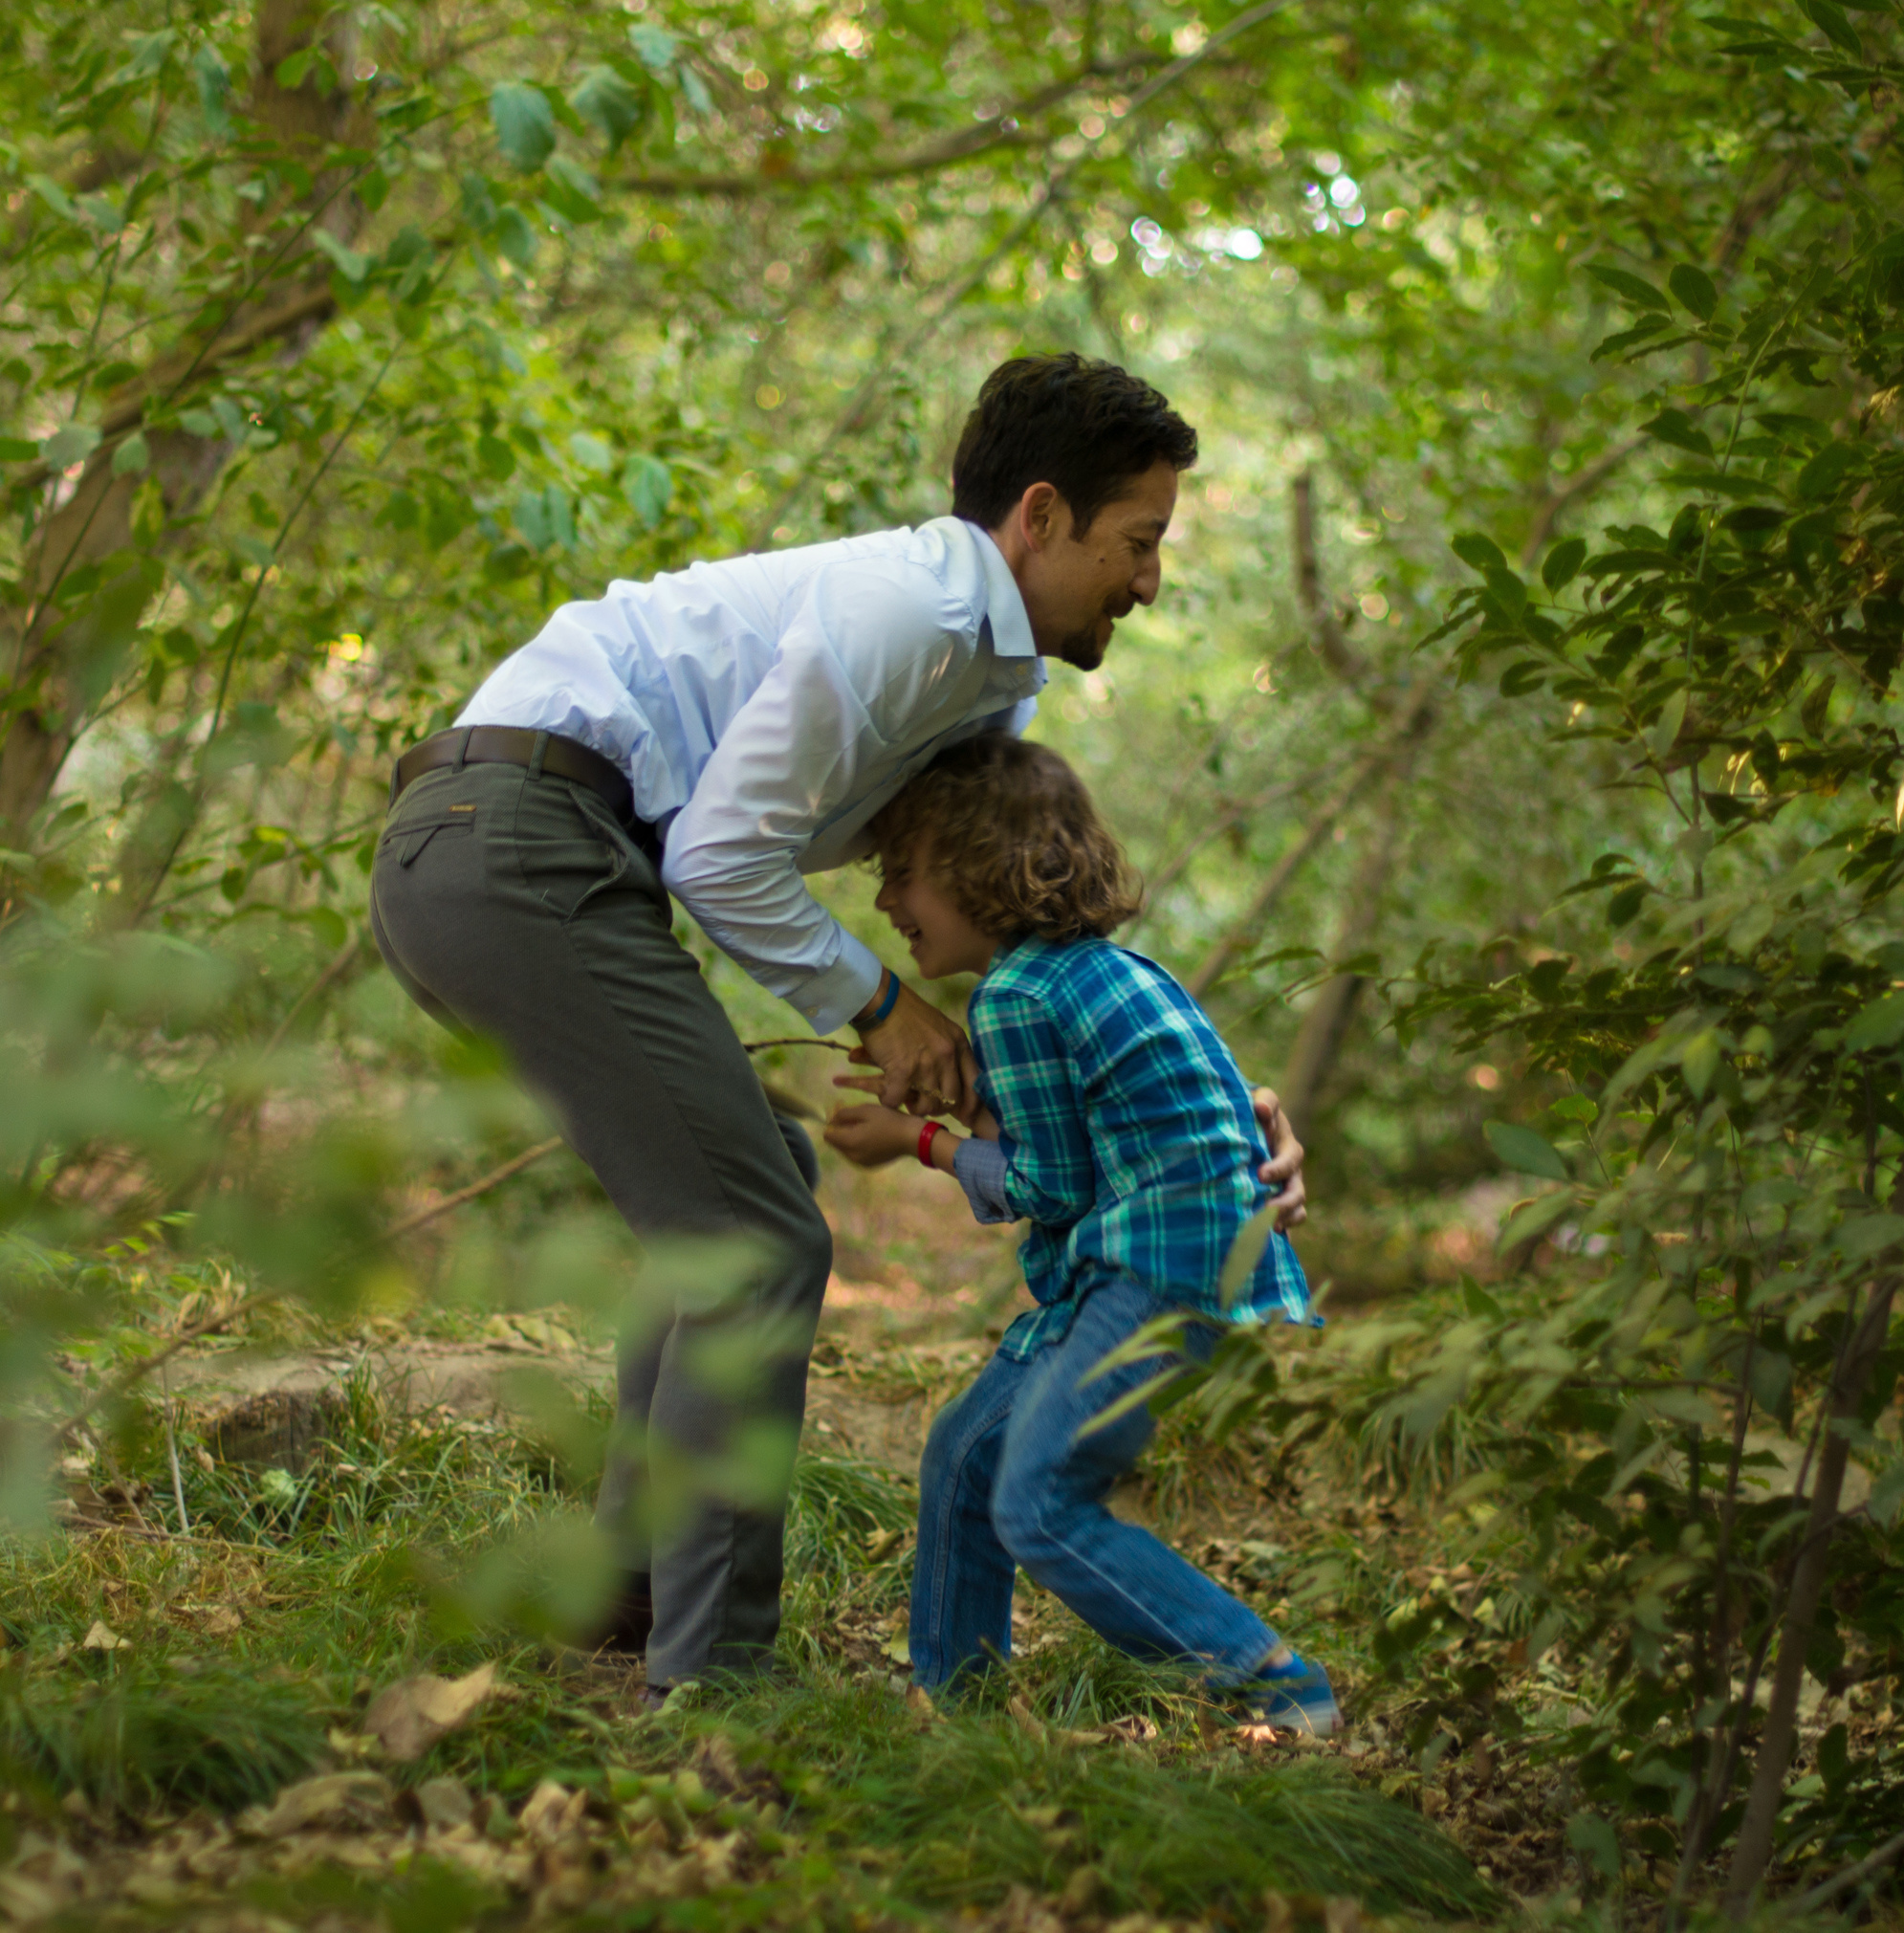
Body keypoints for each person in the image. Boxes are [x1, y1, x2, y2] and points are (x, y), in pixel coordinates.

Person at [367, 354, 1306, 1702]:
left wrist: (1216, 1115)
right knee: (757, 1236)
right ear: (1041, 516)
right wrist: (879, 1005)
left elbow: (1028, 918)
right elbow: (719, 853)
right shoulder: (912, 615)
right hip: (510, 842)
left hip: (522, 855)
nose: (1151, 581)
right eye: (1139, 540)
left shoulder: (986, 677)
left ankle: (635, 1592)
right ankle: (716, 1685)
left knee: (752, 1188)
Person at [821, 735, 1338, 1734]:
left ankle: (1271, 1680)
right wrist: (964, 1102)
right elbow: (1101, 1139)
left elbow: (1046, 1185)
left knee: (1039, 1502)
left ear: (978, 865)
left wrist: (918, 1140)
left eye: (901, 870)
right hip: (1170, 1259)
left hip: (1149, 1267)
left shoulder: (1014, 995)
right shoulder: (1106, 970)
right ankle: (955, 1701)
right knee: (964, 1454)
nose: (884, 900)